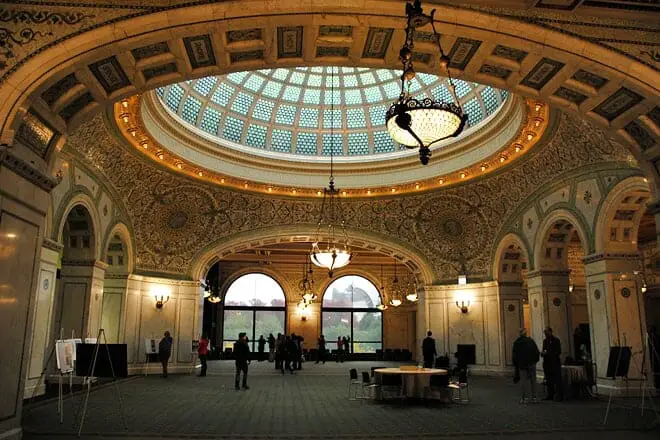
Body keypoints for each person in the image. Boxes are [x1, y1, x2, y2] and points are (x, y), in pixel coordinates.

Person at [512, 328, 540, 404]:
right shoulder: (531, 341)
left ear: (520, 333)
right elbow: (536, 352)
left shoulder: (517, 342)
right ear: (526, 333)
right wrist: (535, 361)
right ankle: (534, 397)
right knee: (533, 380)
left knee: (523, 381)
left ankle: (525, 398)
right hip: (532, 363)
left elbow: (514, 355)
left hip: (522, 365)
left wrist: (516, 364)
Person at [542, 327, 562, 401]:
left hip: (555, 363)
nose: (545, 334)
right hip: (547, 363)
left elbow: (558, 352)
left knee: (557, 380)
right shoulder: (545, 341)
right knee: (549, 380)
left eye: (546, 332)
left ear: (550, 332)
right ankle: (550, 395)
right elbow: (544, 349)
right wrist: (543, 353)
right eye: (545, 333)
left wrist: (548, 353)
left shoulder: (556, 340)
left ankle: (559, 396)